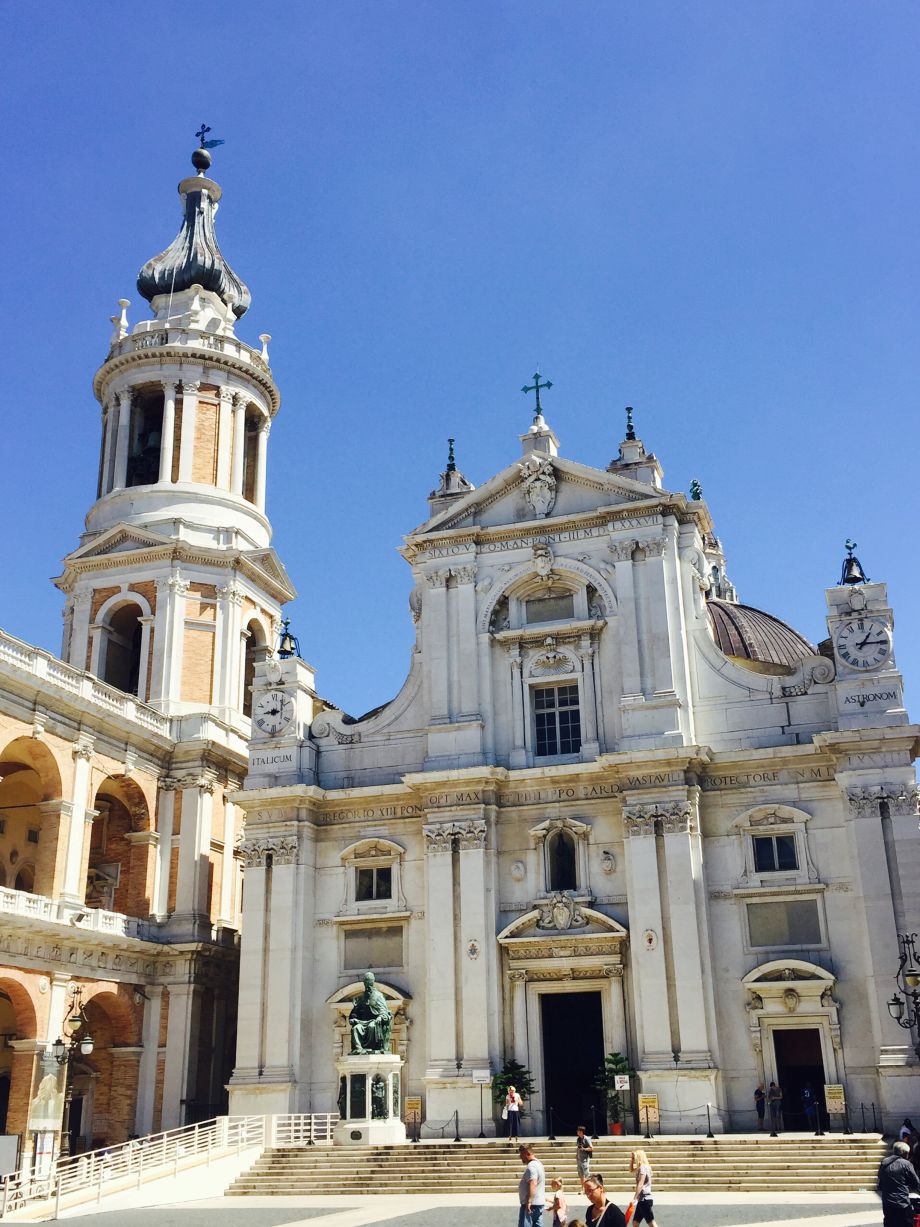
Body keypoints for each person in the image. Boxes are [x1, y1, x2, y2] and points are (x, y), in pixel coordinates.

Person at [348, 971, 393, 1054]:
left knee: (371, 1026)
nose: (367, 983)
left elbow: (384, 1012)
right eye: (365, 981)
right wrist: (355, 1010)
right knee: (356, 1028)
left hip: (374, 1022)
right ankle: (359, 1049)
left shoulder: (378, 996)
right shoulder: (362, 997)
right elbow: (356, 1014)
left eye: (369, 981)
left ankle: (373, 1048)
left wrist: (380, 1017)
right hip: (363, 1022)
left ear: (373, 981)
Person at [877, 1140, 920, 1227]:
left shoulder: (884, 1162)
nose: (908, 1156)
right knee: (906, 1223)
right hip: (902, 1203)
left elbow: (880, 1181)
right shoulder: (906, 1164)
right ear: (904, 1153)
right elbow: (916, 1183)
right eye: (907, 1153)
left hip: (887, 1203)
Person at [518, 1143, 546, 1227]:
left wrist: (529, 1202)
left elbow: (533, 1182)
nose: (520, 1157)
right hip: (538, 1203)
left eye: (521, 1154)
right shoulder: (539, 1164)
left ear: (527, 1153)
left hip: (531, 1206)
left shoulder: (531, 1167)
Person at [630, 1149, 659, 1227]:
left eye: (635, 1157)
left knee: (651, 1223)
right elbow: (631, 1169)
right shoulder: (642, 1167)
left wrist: (635, 1198)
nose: (634, 1159)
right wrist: (631, 1159)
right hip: (642, 1200)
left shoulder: (643, 1167)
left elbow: (641, 1183)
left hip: (645, 1199)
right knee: (635, 1222)